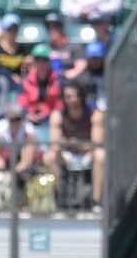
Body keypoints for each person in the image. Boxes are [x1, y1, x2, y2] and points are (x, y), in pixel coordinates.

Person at [44, 79, 104, 208]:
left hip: (87, 153)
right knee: (49, 157)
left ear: (82, 96)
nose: (72, 99)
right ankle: (60, 198)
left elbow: (97, 143)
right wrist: (67, 144)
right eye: (68, 96)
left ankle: (96, 200)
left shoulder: (94, 114)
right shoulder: (57, 115)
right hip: (67, 154)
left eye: (75, 96)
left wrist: (78, 145)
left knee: (101, 155)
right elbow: (55, 144)